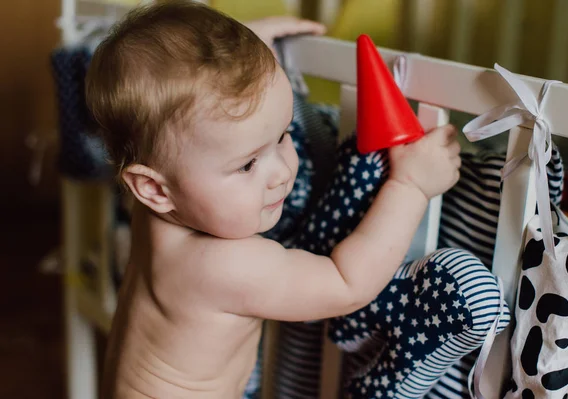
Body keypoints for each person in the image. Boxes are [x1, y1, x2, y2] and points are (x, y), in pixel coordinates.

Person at [85, 1, 461, 398]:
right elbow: (346, 283)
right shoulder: (223, 265)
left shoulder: (158, 205)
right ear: (155, 189)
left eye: (282, 136)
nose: (282, 171)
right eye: (247, 165)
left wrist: (246, 51)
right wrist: (410, 186)